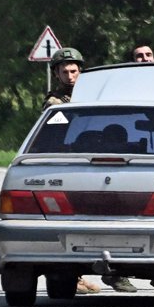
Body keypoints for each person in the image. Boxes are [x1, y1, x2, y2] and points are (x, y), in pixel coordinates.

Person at [97, 43, 154, 295]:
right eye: (138, 56)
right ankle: (117, 274)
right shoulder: (121, 88)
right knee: (123, 218)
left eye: (148, 55)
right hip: (127, 160)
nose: (144, 59)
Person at [40, 48, 101, 294]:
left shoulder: (92, 95)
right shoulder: (54, 103)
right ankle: (72, 277)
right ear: (56, 74)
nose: (70, 76)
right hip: (66, 162)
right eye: (64, 71)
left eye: (74, 71)